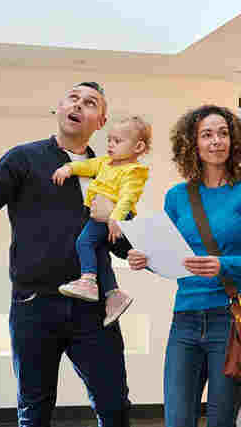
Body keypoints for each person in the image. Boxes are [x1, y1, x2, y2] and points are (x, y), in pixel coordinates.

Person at [0, 82, 133, 427]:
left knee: (115, 406)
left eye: (90, 103)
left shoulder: (111, 172)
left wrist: (139, 247)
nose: (79, 105)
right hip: (34, 306)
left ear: (101, 121)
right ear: (58, 108)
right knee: (34, 412)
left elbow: (120, 240)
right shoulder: (24, 158)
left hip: (94, 309)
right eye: (73, 99)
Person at [126, 104, 241, 427]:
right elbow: (172, 256)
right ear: (192, 143)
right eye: (206, 135)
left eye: (223, 133)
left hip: (232, 319)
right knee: (177, 420)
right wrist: (146, 260)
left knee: (221, 421)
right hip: (185, 320)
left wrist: (222, 265)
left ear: (234, 140)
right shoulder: (177, 196)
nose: (216, 141)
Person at [52, 115, 153, 326]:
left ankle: (88, 281)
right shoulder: (105, 163)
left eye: (118, 141)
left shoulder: (134, 172)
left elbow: (128, 197)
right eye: (109, 139)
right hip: (104, 216)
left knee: (84, 242)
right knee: (98, 252)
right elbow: (87, 166)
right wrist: (68, 168)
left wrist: (114, 218)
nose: (110, 145)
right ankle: (114, 295)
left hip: (115, 216)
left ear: (138, 146)